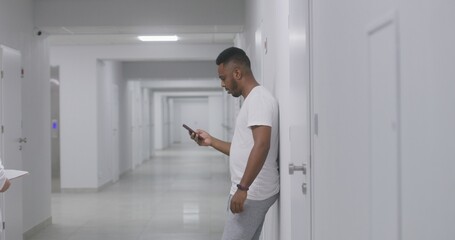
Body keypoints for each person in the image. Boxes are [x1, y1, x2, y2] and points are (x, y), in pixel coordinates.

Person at [188, 47, 279, 240]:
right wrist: (211, 141)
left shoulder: (258, 100)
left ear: (237, 73)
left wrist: (243, 188)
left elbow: (262, 145)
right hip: (250, 189)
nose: (222, 84)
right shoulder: (252, 101)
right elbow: (243, 150)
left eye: (223, 78)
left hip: (253, 192)